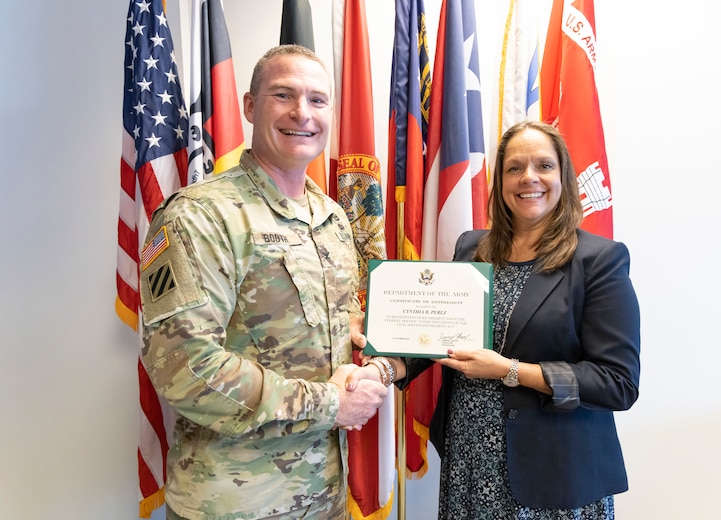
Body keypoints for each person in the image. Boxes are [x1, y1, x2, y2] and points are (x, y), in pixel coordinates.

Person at [139, 44, 388, 520]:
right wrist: (330, 402)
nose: (303, 113)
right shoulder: (200, 216)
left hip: (324, 497)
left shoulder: (332, 217)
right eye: (283, 95)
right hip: (236, 503)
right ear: (250, 106)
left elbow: (331, 327)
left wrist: (377, 351)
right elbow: (185, 367)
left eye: (318, 100)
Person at [349, 120, 640, 519]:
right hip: (468, 461)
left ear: (564, 176)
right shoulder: (473, 247)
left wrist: (510, 370)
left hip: (553, 475)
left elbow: (617, 383)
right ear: (500, 180)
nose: (529, 178)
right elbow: (440, 334)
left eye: (544, 166)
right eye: (515, 168)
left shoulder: (599, 260)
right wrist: (389, 361)